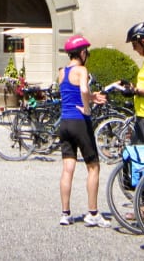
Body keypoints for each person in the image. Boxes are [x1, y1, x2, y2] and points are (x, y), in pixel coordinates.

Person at [56, 35, 110, 227]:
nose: (87, 54)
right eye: (86, 51)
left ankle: (65, 214)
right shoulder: (82, 69)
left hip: (65, 122)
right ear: (81, 52)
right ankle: (93, 213)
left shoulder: (62, 72)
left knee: (68, 168)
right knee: (93, 166)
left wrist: (92, 97)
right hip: (80, 122)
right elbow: (83, 91)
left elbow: (72, 94)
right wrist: (87, 106)